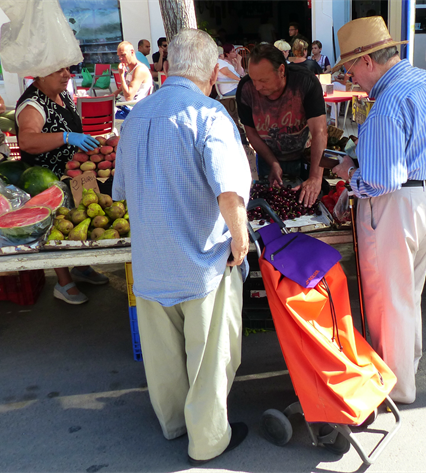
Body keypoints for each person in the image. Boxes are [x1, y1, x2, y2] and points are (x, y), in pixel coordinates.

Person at [113, 28, 251, 466]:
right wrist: (241, 241)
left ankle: (173, 423)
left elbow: (121, 190)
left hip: (152, 262)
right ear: (213, 72)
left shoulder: (135, 117)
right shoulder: (209, 114)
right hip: (201, 263)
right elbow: (229, 192)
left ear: (168, 66)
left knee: (163, 358)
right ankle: (207, 441)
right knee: (210, 360)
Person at [331, 16, 426, 405]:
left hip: (397, 206)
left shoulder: (387, 103)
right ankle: (407, 365)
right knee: (408, 293)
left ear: (367, 61)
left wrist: (349, 172)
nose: (351, 80)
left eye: (350, 71)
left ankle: (395, 387)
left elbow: (381, 180)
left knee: (389, 299)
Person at [15, 67, 109, 305]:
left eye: (67, 68)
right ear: (40, 73)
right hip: (46, 180)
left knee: (75, 222)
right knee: (56, 228)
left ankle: (80, 267)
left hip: (70, 176)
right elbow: (26, 140)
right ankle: (63, 283)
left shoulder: (62, 95)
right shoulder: (31, 104)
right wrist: (66, 137)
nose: (66, 74)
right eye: (59, 70)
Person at [236, 44, 327, 207]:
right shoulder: (246, 88)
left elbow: (320, 131)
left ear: (282, 71)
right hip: (266, 157)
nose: (257, 87)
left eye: (263, 80)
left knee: (304, 202)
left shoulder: (305, 82)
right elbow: (251, 133)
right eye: (253, 79)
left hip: (304, 157)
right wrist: (273, 163)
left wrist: (315, 177)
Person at [115, 41, 154, 119]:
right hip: (122, 106)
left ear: (132, 52)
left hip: (131, 110)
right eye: (119, 56)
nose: (120, 59)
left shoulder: (139, 70)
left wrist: (121, 75)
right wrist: (106, 98)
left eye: (123, 55)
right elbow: (121, 89)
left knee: (97, 115)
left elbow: (129, 97)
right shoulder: (130, 69)